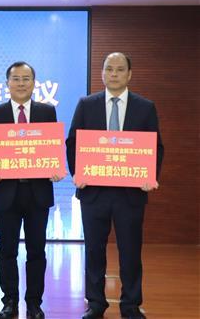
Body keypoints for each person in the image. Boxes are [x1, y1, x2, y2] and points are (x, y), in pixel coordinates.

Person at [66, 52, 163, 319]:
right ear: (102, 73)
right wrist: (78, 173)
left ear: (129, 74)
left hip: (130, 194)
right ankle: (96, 303)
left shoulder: (145, 107)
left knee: (130, 251)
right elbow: (73, 142)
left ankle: (130, 305)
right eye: (109, 69)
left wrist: (150, 175)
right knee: (93, 250)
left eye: (120, 70)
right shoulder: (87, 104)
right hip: (94, 192)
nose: (114, 74)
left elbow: (156, 146)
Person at [0, 62, 61, 319]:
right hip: (6, 193)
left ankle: (34, 302)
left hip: (37, 193)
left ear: (34, 83)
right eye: (16, 79)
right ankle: (10, 301)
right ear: (7, 83)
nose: (21, 83)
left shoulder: (47, 112)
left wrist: (55, 167)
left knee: (37, 251)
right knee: (7, 251)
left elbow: (52, 148)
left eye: (26, 79)